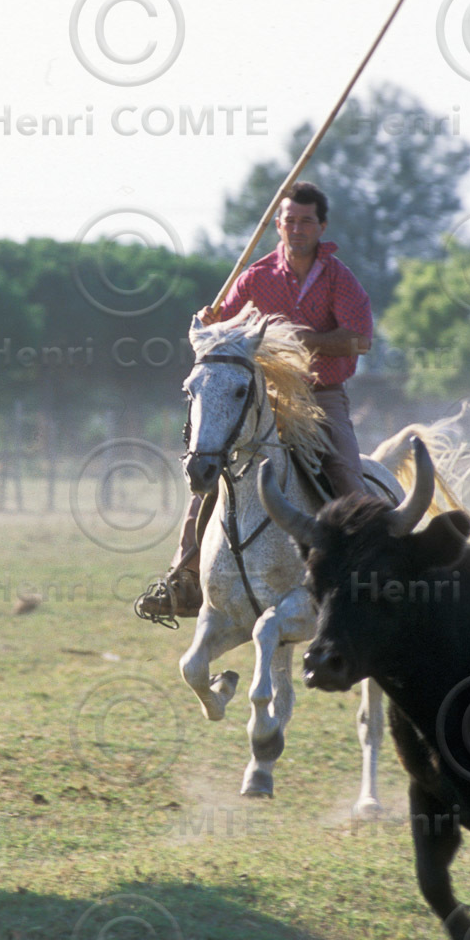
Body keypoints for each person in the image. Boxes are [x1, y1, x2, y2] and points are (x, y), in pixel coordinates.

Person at [134, 181, 373, 623]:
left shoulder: (340, 278)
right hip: (259, 399)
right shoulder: (257, 276)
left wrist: (296, 339)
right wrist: (210, 323)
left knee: (344, 472)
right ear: (277, 225)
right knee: (209, 469)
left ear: (322, 226)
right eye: (289, 221)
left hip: (321, 398)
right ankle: (183, 578)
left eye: (306, 221)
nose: (296, 228)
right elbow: (220, 336)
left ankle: (371, 572)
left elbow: (359, 341)